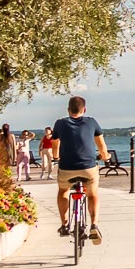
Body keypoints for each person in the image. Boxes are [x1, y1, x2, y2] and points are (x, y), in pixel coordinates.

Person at [52, 96, 107, 243]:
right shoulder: (91, 122)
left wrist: (56, 157)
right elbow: (101, 146)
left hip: (66, 168)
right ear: (84, 109)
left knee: (63, 190)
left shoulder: (59, 123)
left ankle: (64, 225)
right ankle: (94, 224)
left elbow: (55, 145)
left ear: (68, 110)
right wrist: (105, 156)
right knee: (92, 193)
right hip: (88, 167)